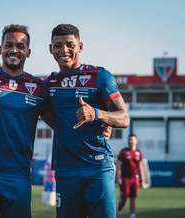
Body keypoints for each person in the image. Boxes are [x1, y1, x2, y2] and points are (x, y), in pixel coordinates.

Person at [0, 24, 112, 218]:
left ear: (28, 52)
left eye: (20, 46)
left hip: (18, 176)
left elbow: (61, 122)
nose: (14, 50)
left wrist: (100, 123)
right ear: (0, 49)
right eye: (8, 45)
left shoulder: (38, 87)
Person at [45, 24, 130, 218]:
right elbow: (47, 114)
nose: (63, 50)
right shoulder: (48, 83)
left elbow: (124, 117)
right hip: (66, 170)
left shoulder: (100, 76)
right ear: (50, 49)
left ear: (80, 46)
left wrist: (97, 114)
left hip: (98, 168)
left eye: (70, 44)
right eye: (57, 45)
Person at [116, 134, 146, 218]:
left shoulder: (138, 152)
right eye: (129, 140)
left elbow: (140, 166)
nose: (131, 141)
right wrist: (118, 178)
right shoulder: (123, 152)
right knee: (124, 198)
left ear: (136, 141)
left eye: (132, 140)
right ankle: (116, 212)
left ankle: (132, 215)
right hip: (125, 178)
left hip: (135, 178)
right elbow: (118, 166)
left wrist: (142, 179)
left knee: (133, 197)